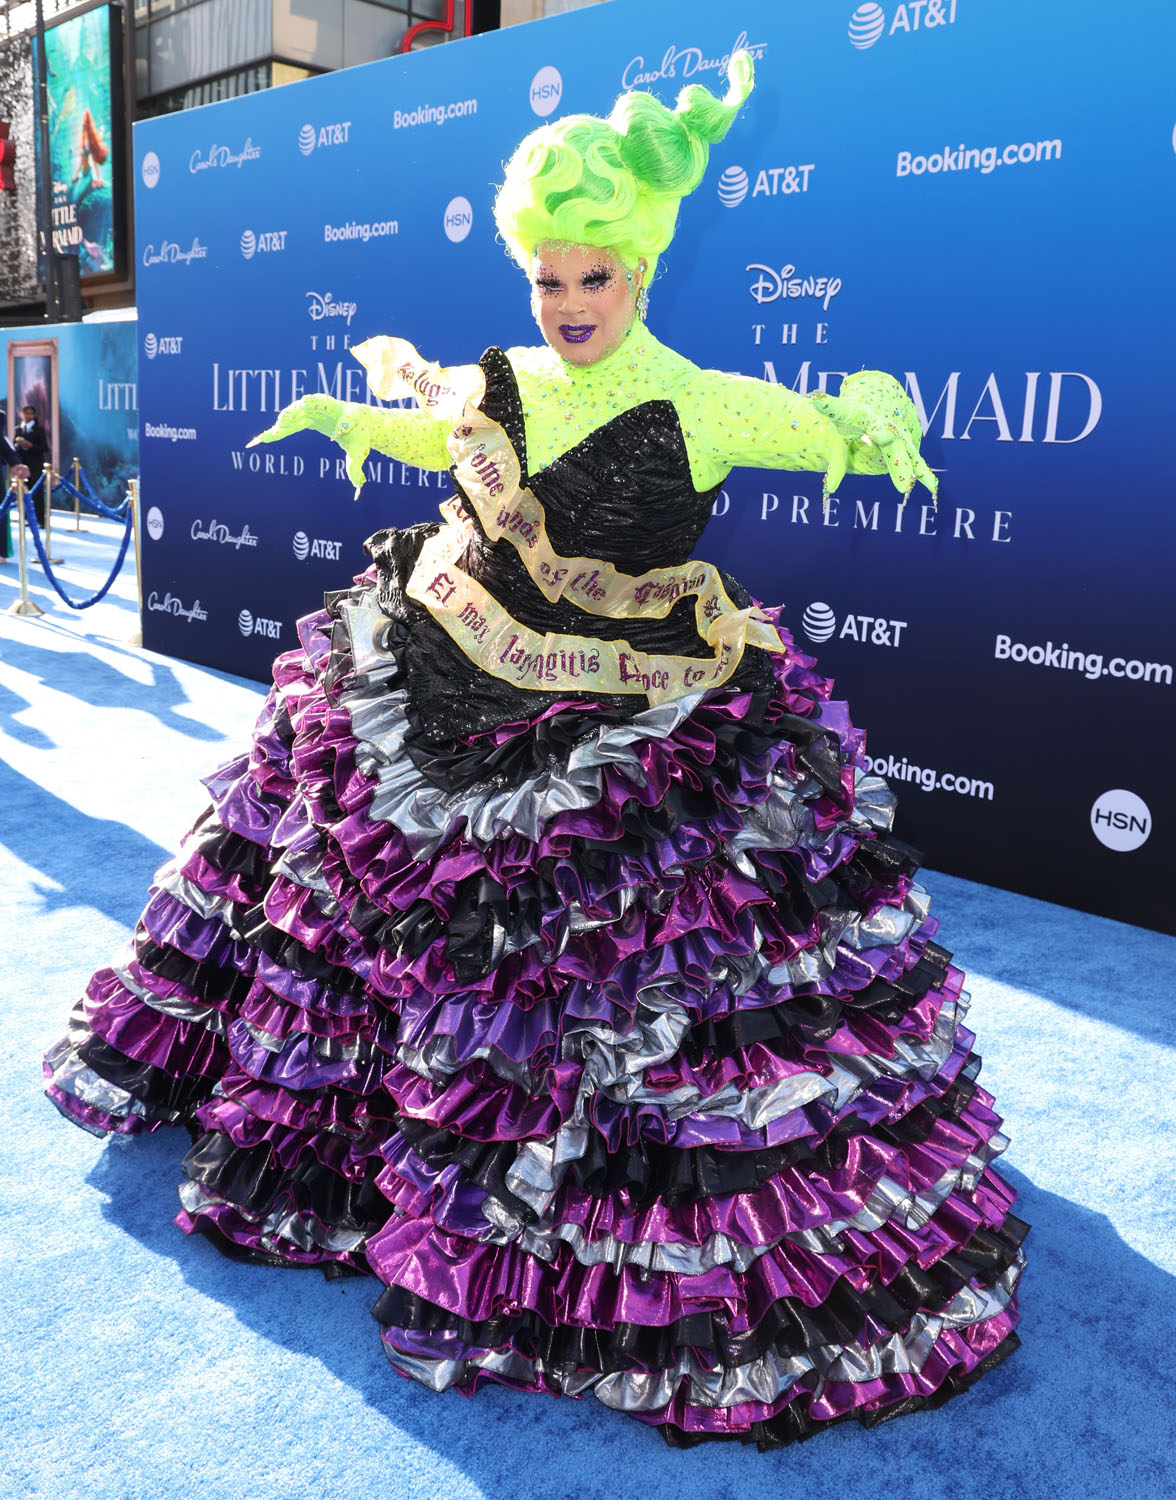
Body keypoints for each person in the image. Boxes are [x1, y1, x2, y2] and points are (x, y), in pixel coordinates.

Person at [44, 54, 1026, 1448]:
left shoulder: (702, 402)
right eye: (548, 278)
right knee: (343, 898)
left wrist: (877, 432)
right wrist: (341, 418)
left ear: (643, 270)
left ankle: (574, 1236)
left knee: (634, 974)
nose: (569, 303)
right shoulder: (501, 377)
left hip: (619, 727)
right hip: (438, 679)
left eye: (594, 277)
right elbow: (433, 432)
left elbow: (828, 434)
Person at [14, 404, 49, 526]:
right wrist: (19, 445)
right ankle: (27, 518)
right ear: (22, 414)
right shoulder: (19, 429)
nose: (28, 416)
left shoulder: (39, 429)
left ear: (34, 415)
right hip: (23, 466)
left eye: (30, 414)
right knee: (25, 493)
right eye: (26, 413)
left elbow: (44, 448)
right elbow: (14, 448)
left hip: (35, 466)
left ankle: (40, 520)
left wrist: (30, 445)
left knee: (37, 494)